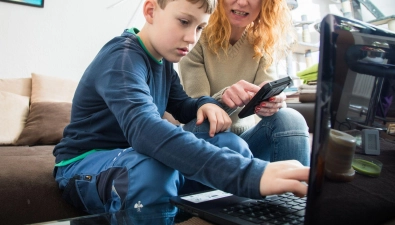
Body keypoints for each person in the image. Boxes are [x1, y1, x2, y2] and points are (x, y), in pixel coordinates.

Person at [53, 0, 309, 221]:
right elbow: (144, 130)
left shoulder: (162, 62)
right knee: (152, 169)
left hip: (132, 154)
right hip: (84, 163)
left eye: (200, 27)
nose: (192, 37)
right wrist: (249, 175)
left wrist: (204, 104)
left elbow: (183, 106)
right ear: (151, 11)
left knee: (230, 143)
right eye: (184, 22)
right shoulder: (122, 58)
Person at [179, 0, 310, 166]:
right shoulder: (196, 34)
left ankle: (293, 191)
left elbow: (268, 102)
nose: (241, 2)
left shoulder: (263, 42)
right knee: (207, 124)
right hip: (204, 134)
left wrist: (272, 104)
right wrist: (225, 98)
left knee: (290, 118)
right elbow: (196, 109)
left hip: (247, 139)